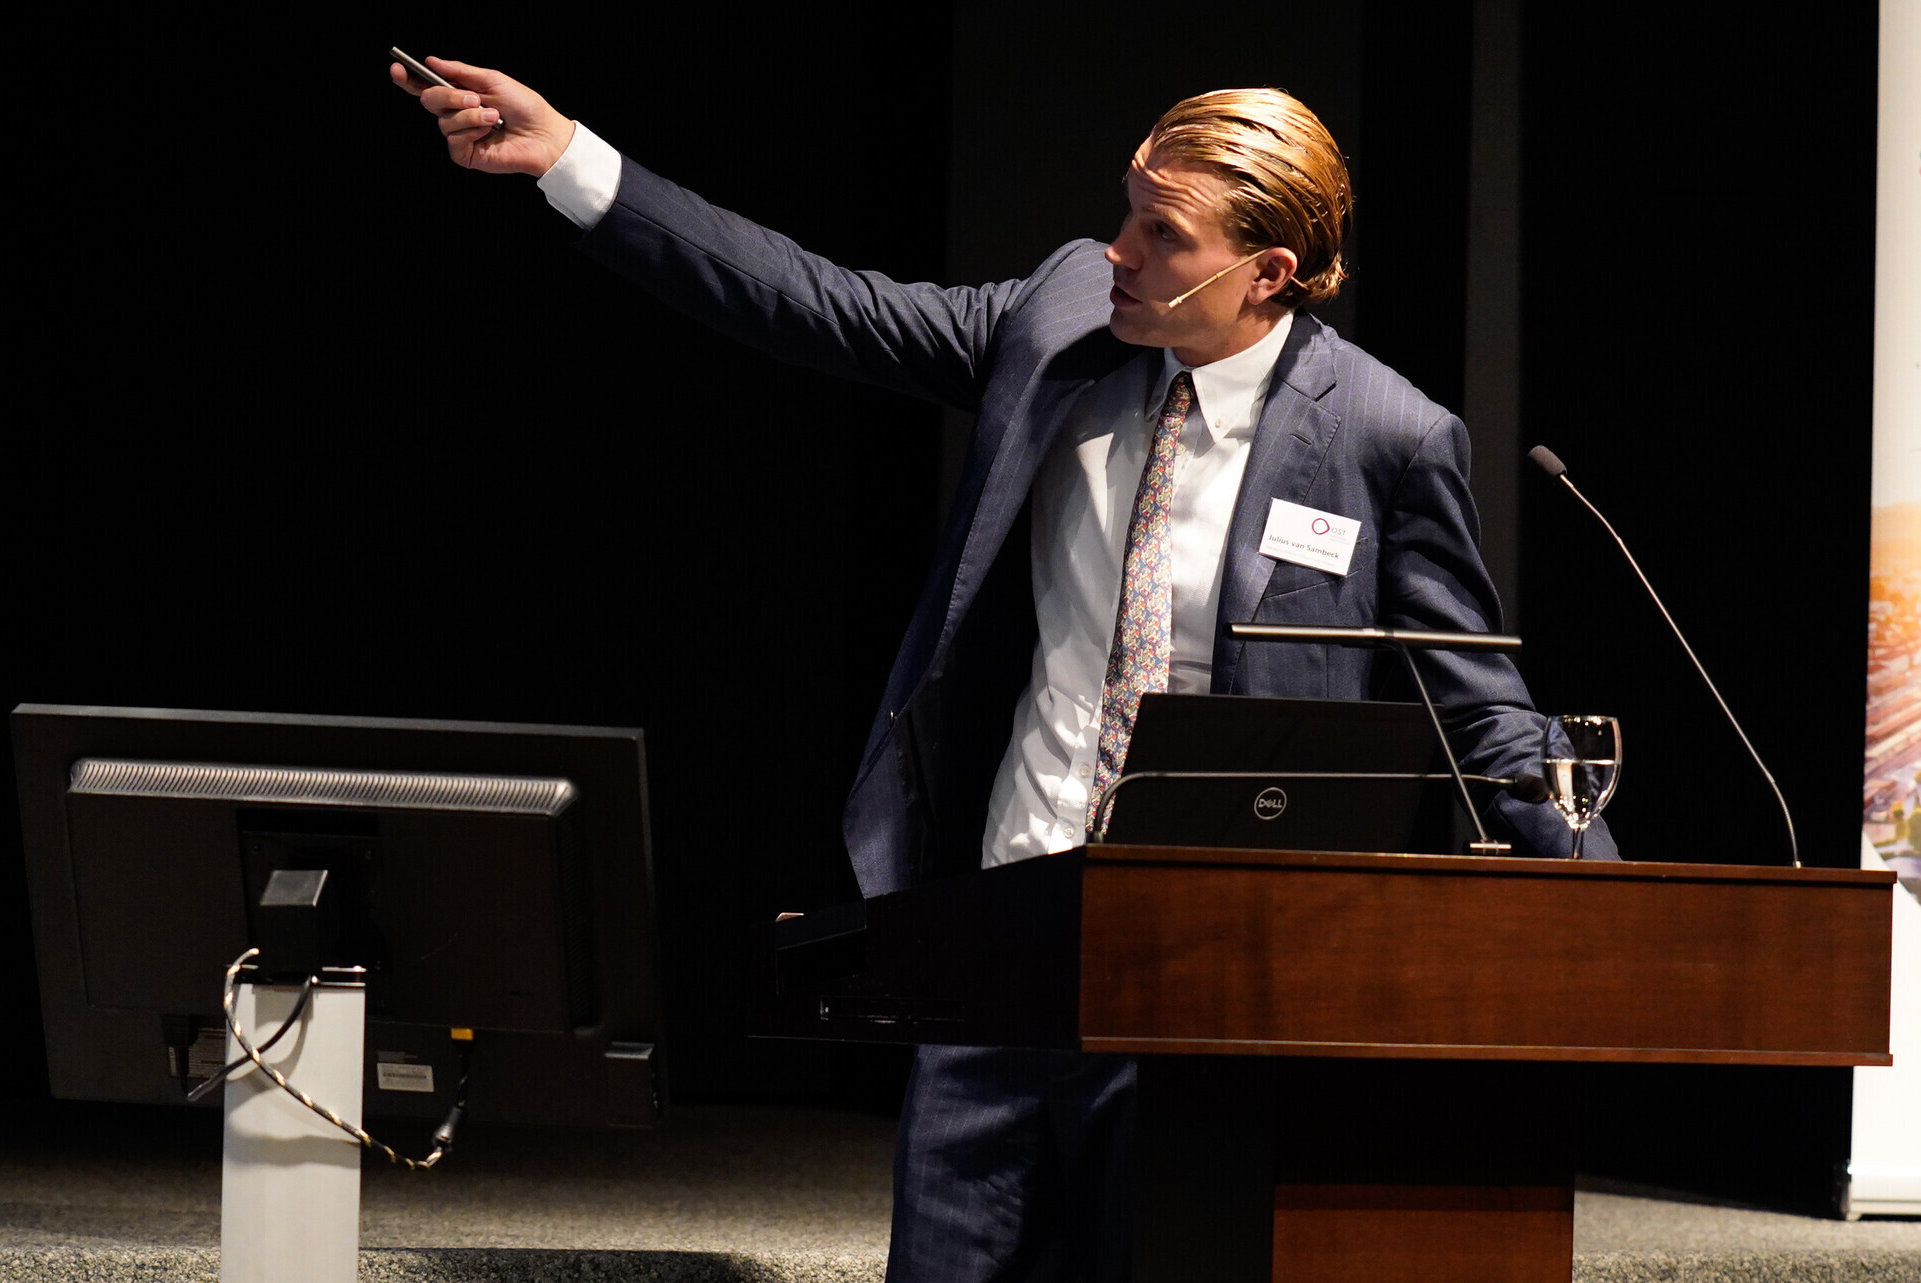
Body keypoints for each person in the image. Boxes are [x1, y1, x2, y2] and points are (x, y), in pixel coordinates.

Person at [396, 55, 1613, 1282]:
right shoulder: (1060, 322)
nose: (1118, 251)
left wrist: (1604, 898)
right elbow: (817, 302)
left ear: (1267, 272)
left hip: (1205, 978)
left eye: (1163, 234)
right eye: (1128, 208)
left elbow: (1479, 707)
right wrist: (569, 159)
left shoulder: (1385, 435)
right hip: (1004, 936)